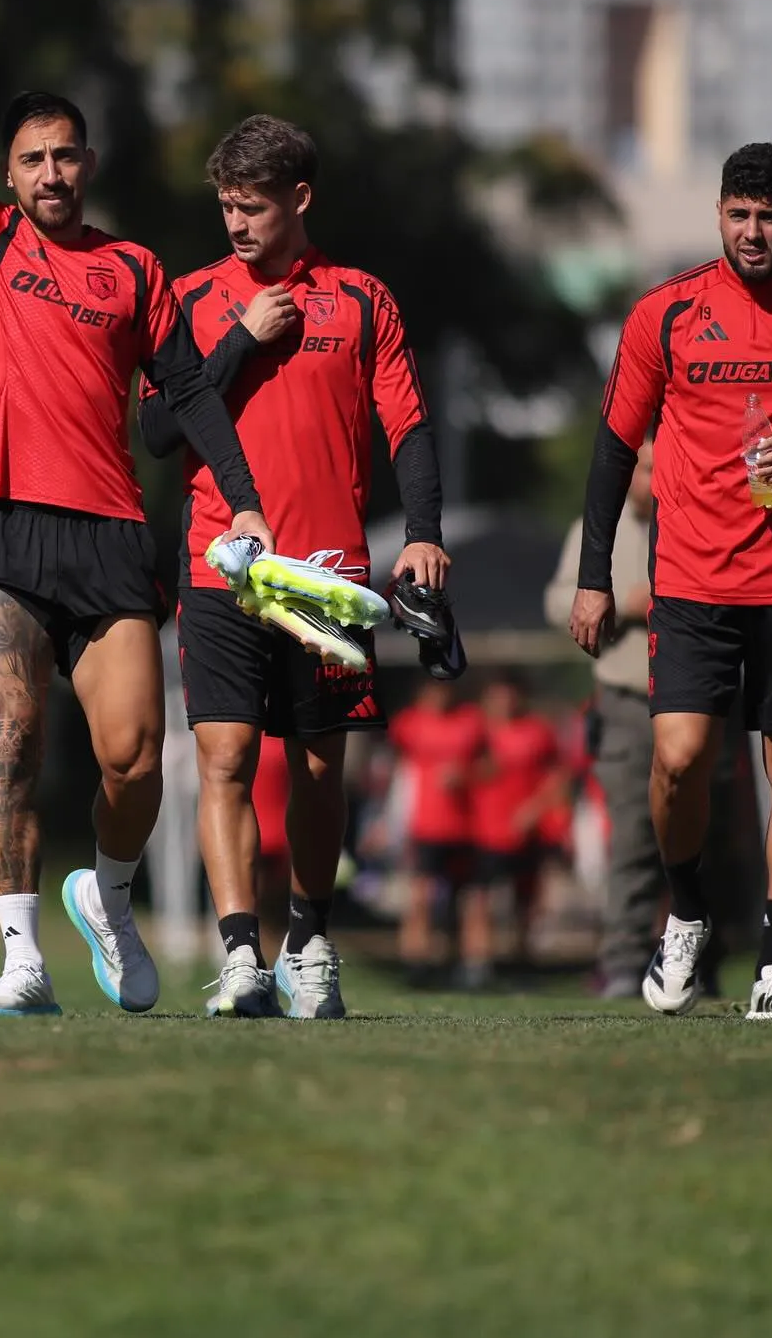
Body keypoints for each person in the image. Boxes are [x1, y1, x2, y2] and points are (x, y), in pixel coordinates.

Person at [0, 0, 272, 1017]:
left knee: (134, 760)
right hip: (6, 527)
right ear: (7, 177)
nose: (51, 172)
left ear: (86, 162)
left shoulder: (135, 268)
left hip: (109, 537)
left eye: (66, 153)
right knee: (9, 737)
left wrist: (243, 496)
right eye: (32, 159)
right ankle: (22, 961)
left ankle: (106, 895)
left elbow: (188, 395)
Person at [570, 142, 772, 1019]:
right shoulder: (669, 312)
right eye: (739, 214)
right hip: (692, 580)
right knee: (678, 760)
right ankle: (683, 916)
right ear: (719, 212)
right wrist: (594, 577)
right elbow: (611, 449)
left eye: (769, 217)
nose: (753, 232)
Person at [137, 112, 448, 1018]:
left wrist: (423, 529)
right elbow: (157, 429)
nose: (236, 224)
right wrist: (238, 339)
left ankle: (309, 940)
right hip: (220, 565)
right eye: (226, 206)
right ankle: (241, 955)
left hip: (332, 575)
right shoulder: (192, 298)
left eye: (254, 207)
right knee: (226, 756)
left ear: (299, 198)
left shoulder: (362, 300)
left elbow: (410, 424)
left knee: (317, 766)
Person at [546, 439, 662, 997]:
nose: (652, 479)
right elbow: (555, 602)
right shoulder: (596, 530)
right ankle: (624, 961)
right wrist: (622, 602)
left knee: (706, 833)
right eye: (644, 468)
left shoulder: (695, 522)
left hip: (700, 700)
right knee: (633, 834)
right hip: (625, 698)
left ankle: (700, 959)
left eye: (663, 467)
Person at [388, 677, 488, 985]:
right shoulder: (408, 723)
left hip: (464, 827)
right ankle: (416, 962)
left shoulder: (471, 721)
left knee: (470, 898)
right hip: (424, 826)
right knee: (420, 896)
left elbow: (492, 764)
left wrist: (466, 775)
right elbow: (393, 768)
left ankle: (472, 965)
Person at [469, 673, 567, 972]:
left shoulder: (539, 731)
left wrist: (535, 809)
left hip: (524, 830)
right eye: (497, 696)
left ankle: (522, 960)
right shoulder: (476, 730)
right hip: (482, 829)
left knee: (524, 900)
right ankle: (478, 963)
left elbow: (558, 777)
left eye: (509, 695)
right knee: (479, 897)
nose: (504, 702)